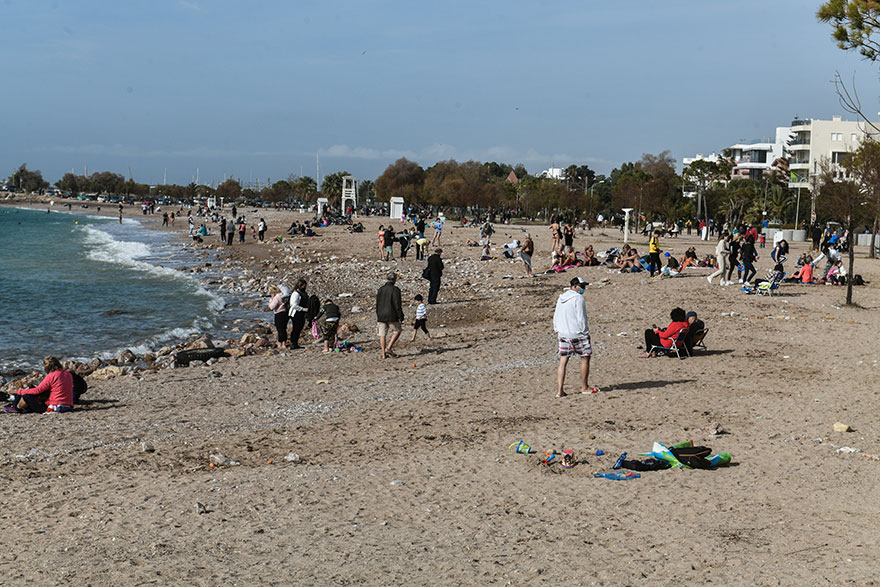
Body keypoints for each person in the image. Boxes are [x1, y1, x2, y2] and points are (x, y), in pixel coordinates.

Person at [553, 277, 598, 397]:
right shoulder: (578, 298)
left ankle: (560, 390)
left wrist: (557, 329)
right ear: (575, 286)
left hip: (563, 333)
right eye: (582, 286)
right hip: (577, 333)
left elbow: (556, 315)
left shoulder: (561, 298)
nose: (583, 289)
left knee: (563, 361)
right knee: (585, 357)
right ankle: (584, 387)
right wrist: (585, 332)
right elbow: (581, 317)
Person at [5, 356, 73, 413]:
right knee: (30, 393)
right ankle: (19, 407)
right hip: (68, 404)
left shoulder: (51, 375)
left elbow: (37, 390)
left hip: (54, 405)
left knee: (26, 396)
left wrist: (18, 391)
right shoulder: (68, 374)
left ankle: (16, 408)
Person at [376, 271, 404, 359]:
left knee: (382, 334)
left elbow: (377, 303)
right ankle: (388, 348)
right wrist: (400, 316)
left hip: (381, 315)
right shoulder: (395, 290)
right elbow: (397, 304)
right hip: (392, 315)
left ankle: (383, 354)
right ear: (394, 279)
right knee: (397, 330)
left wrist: (378, 313)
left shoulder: (381, 289)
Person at [287, 279, 309, 349]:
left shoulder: (303, 293)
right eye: (304, 286)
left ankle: (295, 343)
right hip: (296, 313)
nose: (305, 287)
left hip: (301, 313)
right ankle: (293, 343)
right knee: (296, 328)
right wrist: (303, 309)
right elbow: (293, 305)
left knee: (299, 328)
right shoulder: (296, 293)